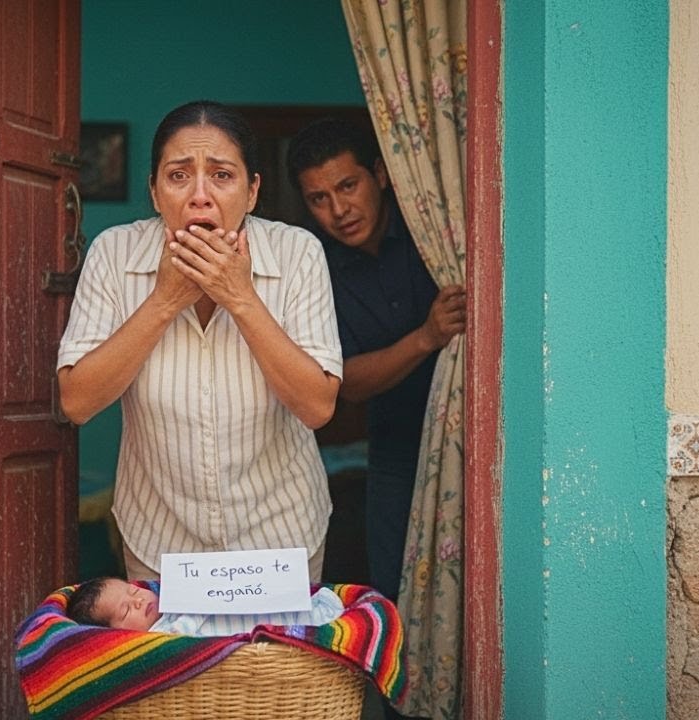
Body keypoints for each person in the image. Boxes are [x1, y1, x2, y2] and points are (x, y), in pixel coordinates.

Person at [57, 101, 344, 583]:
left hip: (281, 536)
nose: (200, 197)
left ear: (253, 192)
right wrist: (164, 301)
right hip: (160, 541)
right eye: (178, 176)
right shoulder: (113, 254)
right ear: (154, 192)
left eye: (222, 175)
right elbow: (77, 402)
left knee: (274, 642)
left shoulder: (298, 254)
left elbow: (317, 406)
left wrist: (239, 296)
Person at [286, 119, 466, 607]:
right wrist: (427, 337)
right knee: (394, 592)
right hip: (394, 448)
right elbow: (347, 382)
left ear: (381, 175)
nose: (339, 210)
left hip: (475, 435)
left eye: (348, 185)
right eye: (319, 198)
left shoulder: (439, 234)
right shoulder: (315, 268)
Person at [66, 576, 344, 636]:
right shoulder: (159, 638)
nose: (138, 600)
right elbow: (181, 639)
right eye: (127, 610)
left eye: (134, 590)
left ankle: (319, 610)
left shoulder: (172, 598)